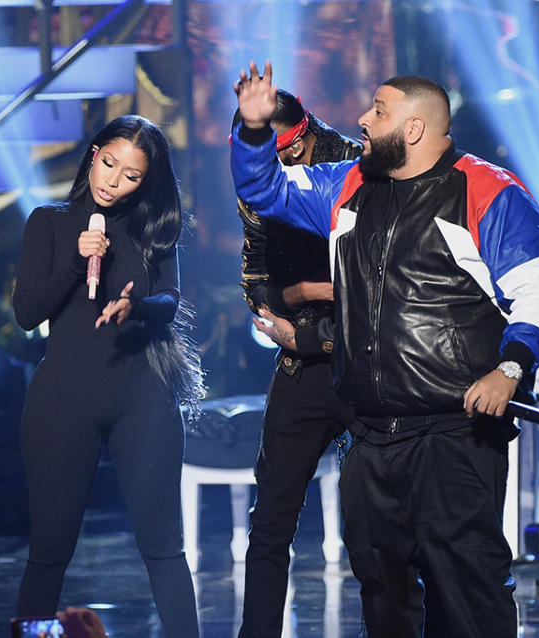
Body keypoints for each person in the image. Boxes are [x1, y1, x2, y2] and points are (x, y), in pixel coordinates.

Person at [231, 61, 539, 637]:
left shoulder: (487, 190)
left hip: (453, 430)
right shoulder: (347, 184)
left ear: (413, 129)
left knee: (467, 586)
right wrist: (255, 130)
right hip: (371, 433)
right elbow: (265, 189)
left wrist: (511, 367)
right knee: (382, 590)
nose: (361, 120)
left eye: (378, 111)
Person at [12, 115, 204, 637]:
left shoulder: (152, 230)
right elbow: (27, 312)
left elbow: (171, 300)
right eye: (109, 163)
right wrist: (76, 265)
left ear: (148, 182)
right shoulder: (48, 222)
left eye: (132, 176)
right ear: (93, 154)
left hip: (141, 398)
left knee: (164, 545)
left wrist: (135, 304)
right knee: (49, 549)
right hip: (61, 402)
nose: (113, 181)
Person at [233, 89, 360, 638]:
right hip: (298, 349)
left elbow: (391, 278)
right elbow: (254, 279)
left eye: (284, 154)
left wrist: (341, 297)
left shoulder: (361, 168)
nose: (277, 170)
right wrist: (308, 291)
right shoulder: (261, 180)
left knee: (383, 521)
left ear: (304, 136)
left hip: (368, 356)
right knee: (272, 520)